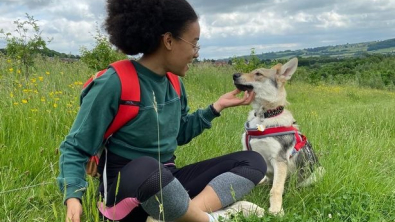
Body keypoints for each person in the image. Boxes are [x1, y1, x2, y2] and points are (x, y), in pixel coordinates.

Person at [57, 0, 267, 221]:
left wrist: (216, 108)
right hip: (126, 191)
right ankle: (207, 218)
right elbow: (75, 147)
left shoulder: (174, 84)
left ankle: (180, 214)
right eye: (194, 44)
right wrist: (73, 197)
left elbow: (179, 133)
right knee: (148, 168)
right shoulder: (114, 82)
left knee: (253, 161)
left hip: (167, 181)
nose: (196, 53)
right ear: (168, 40)